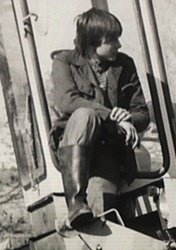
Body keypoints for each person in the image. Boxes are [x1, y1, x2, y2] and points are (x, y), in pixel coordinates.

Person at [50, 8, 150, 228]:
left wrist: (129, 118)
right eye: (112, 40)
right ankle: (75, 203)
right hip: (74, 144)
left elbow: (142, 112)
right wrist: (113, 116)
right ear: (94, 40)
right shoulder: (63, 61)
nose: (118, 45)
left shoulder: (125, 65)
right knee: (86, 115)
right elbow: (68, 101)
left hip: (107, 151)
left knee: (102, 219)